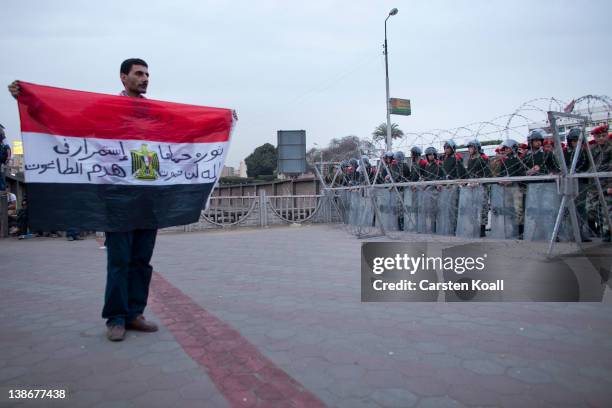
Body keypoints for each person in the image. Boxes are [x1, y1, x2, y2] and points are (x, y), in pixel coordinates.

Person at [8, 58, 159, 341]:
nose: (145, 78)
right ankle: (115, 318)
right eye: (139, 74)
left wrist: (222, 121)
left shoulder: (153, 112)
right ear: (123, 77)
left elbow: (186, 130)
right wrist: (32, 102)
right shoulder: (106, 109)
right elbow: (68, 124)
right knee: (120, 260)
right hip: (116, 196)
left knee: (142, 260)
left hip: (147, 196)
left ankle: (135, 314)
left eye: (147, 74)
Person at [564, 128, 591, 241]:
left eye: (578, 141)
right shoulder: (566, 153)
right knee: (569, 208)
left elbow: (587, 165)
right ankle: (571, 232)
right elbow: (563, 166)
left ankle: (581, 232)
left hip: (581, 183)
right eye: (573, 141)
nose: (575, 143)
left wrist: (576, 171)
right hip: (570, 183)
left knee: (581, 208)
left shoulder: (585, 153)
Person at [587, 124, 612, 241]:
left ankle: (608, 232)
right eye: (598, 136)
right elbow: (589, 166)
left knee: (607, 208)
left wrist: (597, 168)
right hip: (594, 185)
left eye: (604, 135)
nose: (601, 138)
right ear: (595, 138)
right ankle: (602, 227)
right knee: (591, 209)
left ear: (607, 135)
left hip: (608, 183)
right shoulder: (592, 150)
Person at [497, 139, 527, 238]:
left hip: (517, 188)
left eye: (507, 148)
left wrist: (513, 180)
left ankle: (520, 231)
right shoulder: (505, 161)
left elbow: (522, 174)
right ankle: (512, 229)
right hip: (507, 189)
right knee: (510, 209)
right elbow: (501, 173)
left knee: (518, 209)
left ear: (513, 148)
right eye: (505, 148)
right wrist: (501, 180)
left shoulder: (518, 159)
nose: (505, 150)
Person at [466, 139, 492, 237]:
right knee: (473, 207)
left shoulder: (483, 158)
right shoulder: (470, 159)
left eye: (471, 147)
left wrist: (478, 182)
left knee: (483, 208)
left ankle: (482, 229)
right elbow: (469, 173)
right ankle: (474, 227)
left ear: (477, 148)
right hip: (472, 187)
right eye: (469, 147)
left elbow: (488, 173)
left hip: (482, 187)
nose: (469, 149)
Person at [0, 124, 10, 191]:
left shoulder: (3, 137)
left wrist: (8, 157)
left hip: (2, 156)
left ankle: (3, 188)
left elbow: (7, 147)